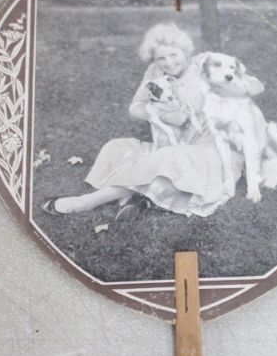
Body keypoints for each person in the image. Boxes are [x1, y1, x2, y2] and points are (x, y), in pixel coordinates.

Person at [41, 22, 259, 219]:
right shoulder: (155, 71)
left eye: (173, 55)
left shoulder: (206, 67)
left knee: (171, 159)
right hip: (171, 144)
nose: (169, 62)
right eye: (161, 58)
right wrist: (165, 116)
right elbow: (135, 107)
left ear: (185, 51)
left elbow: (255, 86)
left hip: (212, 151)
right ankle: (137, 197)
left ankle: (87, 202)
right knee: (116, 148)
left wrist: (231, 90)